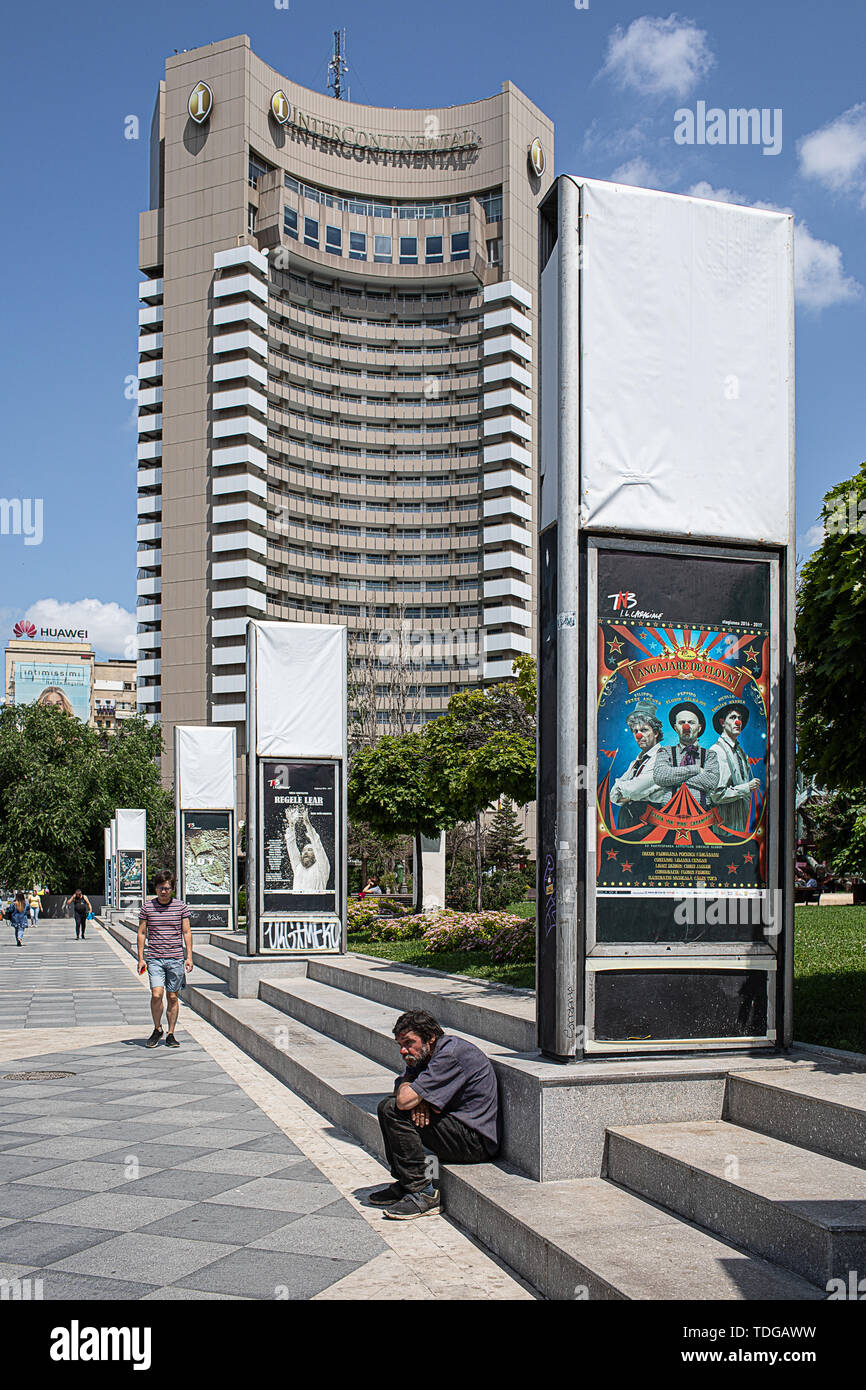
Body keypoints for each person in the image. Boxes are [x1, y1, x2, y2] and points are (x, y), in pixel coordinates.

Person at [371, 1009, 499, 1220]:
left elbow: (403, 1101)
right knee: (390, 1105)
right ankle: (407, 1183)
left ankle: (423, 1193)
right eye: (400, 1045)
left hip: (474, 1140)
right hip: (454, 1127)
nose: (403, 1051)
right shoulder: (424, 1055)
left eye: (409, 1043)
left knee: (392, 1109)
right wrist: (419, 1098)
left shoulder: (450, 1055)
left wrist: (417, 1097)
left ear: (430, 1038)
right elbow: (400, 1087)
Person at [137, 870, 193, 1049]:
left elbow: (186, 931)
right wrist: (140, 958)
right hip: (154, 959)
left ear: (172, 889)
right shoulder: (148, 907)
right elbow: (142, 932)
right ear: (156, 888)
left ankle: (171, 1033)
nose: (163, 892)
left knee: (173, 997)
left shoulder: (180, 907)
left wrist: (189, 956)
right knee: (156, 994)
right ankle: (157, 1028)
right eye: (161, 888)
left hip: (175, 958)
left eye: (167, 888)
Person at [609, 700, 667, 827]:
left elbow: (634, 790)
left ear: (656, 732)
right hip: (627, 821)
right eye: (635, 731)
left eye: (644, 730)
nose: (639, 735)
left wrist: (625, 789)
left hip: (647, 824)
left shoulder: (662, 758)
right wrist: (629, 792)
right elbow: (613, 795)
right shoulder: (636, 762)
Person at [653, 702, 720, 809]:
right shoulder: (665, 751)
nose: (686, 726)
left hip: (701, 816)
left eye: (691, 722)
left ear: (699, 728)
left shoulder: (710, 755)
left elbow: (711, 782)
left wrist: (674, 777)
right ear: (676, 728)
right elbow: (660, 777)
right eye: (681, 722)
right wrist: (696, 769)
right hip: (669, 817)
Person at [707, 702, 761, 831]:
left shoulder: (739, 752)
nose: (738, 722)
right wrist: (747, 787)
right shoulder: (717, 751)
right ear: (722, 723)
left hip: (740, 825)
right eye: (733, 718)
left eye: (740, 718)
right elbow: (716, 794)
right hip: (725, 828)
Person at [284, 806, 330, 893]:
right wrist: (291, 825)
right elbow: (291, 846)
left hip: (316, 904)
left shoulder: (322, 867)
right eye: (304, 850)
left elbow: (318, 846)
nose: (305, 852)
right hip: (297, 904)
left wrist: (307, 823)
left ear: (315, 855)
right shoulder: (298, 867)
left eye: (309, 850)